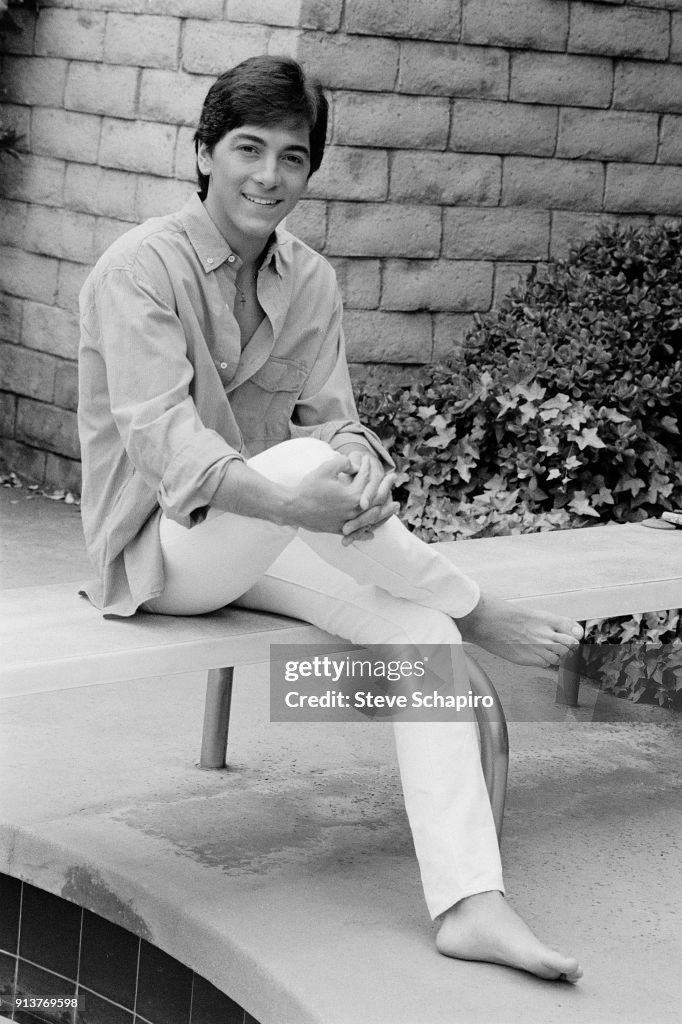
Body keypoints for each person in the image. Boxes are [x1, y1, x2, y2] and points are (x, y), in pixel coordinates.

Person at [78, 55, 584, 982]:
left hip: (264, 537)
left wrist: (364, 469)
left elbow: (336, 419)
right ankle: (480, 604)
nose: (269, 176)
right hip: (161, 554)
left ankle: (471, 901)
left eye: (293, 157)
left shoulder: (310, 279)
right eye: (247, 149)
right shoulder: (138, 271)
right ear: (203, 153)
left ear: (311, 171)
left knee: (417, 627)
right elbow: (169, 446)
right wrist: (312, 486)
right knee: (316, 476)